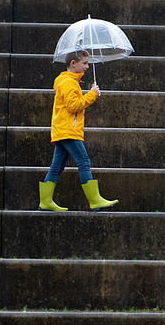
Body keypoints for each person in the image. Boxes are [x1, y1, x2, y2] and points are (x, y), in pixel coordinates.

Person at [38, 50, 118, 211]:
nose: (87, 66)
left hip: (63, 130)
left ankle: (45, 202)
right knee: (84, 162)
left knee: (57, 167)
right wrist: (91, 95)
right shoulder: (68, 82)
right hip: (68, 130)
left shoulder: (69, 81)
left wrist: (90, 94)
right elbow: (73, 106)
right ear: (73, 63)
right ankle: (95, 200)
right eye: (85, 63)